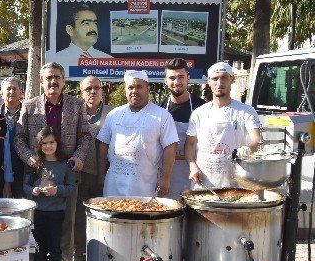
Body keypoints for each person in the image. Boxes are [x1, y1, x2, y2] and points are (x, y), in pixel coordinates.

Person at [15, 62, 92, 261]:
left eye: (57, 77)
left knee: (66, 222)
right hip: (36, 173)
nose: (53, 82)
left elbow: (86, 136)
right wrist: (28, 156)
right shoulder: (29, 106)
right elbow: (18, 138)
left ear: (63, 80)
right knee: (37, 222)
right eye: (49, 78)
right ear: (41, 81)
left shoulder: (76, 105)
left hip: (66, 173)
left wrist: (78, 157)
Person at [97, 70, 179, 197]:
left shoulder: (162, 115)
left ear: (148, 88)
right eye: (130, 87)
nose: (134, 91)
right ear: (125, 89)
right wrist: (101, 174)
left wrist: (165, 178)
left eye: (139, 87)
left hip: (146, 186)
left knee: (143, 215)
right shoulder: (114, 114)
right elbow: (103, 144)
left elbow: (170, 147)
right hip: (113, 184)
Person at [185, 62, 261, 189]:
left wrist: (247, 150)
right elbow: (189, 144)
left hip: (235, 185)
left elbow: (257, 140)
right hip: (203, 185)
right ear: (209, 82)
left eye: (224, 78)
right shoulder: (199, 113)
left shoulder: (246, 111)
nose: (219, 83)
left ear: (232, 79)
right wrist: (193, 167)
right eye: (215, 79)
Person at [24, 126, 75, 261]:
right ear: (39, 145)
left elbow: (71, 188)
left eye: (51, 142)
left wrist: (57, 190)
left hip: (56, 212)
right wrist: (34, 191)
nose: (48, 146)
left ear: (57, 143)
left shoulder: (65, 165)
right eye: (44, 143)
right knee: (39, 247)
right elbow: (26, 186)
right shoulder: (35, 164)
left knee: (54, 247)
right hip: (38, 212)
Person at [71, 75, 113, 261]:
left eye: (97, 87)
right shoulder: (74, 113)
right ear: (81, 92)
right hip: (81, 174)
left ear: (102, 90)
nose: (93, 92)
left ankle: (104, 258)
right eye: (88, 88)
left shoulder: (113, 113)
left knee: (105, 218)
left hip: (106, 175)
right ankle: (79, 258)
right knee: (79, 219)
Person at [159, 58, 206, 199]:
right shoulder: (159, 109)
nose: (176, 82)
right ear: (165, 81)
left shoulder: (202, 108)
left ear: (188, 79)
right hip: (167, 173)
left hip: (195, 171)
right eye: (172, 78)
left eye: (181, 77)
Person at [0, 77, 25, 199]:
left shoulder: (30, 114)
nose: (11, 91)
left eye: (15, 88)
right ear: (1, 92)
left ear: (21, 92)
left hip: (24, 172)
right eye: (8, 88)